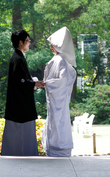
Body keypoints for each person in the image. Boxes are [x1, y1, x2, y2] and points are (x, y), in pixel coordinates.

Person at [1, 30, 45, 156]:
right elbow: (20, 83)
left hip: (17, 106)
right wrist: (35, 84)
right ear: (20, 42)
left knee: (18, 136)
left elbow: (22, 80)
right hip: (20, 108)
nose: (29, 43)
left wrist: (32, 82)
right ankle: (24, 156)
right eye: (27, 41)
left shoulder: (17, 57)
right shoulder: (18, 59)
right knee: (22, 137)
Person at [41, 27, 77, 157]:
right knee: (57, 121)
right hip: (57, 100)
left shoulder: (60, 60)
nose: (51, 47)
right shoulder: (60, 60)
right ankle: (56, 146)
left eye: (53, 45)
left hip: (58, 100)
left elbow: (62, 81)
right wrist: (47, 83)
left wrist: (47, 83)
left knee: (58, 122)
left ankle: (58, 147)